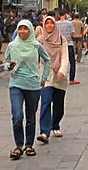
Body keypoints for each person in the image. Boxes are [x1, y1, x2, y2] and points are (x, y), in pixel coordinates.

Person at [5, 20, 51, 160]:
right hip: (16, 84)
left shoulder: (36, 46)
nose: (23, 32)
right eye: (20, 29)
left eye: (25, 29)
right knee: (17, 116)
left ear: (30, 30)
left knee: (30, 117)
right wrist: (9, 66)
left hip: (33, 85)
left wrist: (43, 78)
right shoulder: (12, 46)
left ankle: (29, 145)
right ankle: (18, 146)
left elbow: (47, 60)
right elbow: (6, 63)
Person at [37, 15, 71, 143]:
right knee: (45, 101)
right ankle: (44, 132)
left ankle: (55, 125)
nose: (49, 26)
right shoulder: (39, 41)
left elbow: (65, 57)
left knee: (58, 103)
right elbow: (36, 58)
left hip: (59, 76)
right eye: (47, 23)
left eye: (51, 23)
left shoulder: (61, 40)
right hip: (45, 75)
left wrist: (62, 70)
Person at [56, 11, 77, 84]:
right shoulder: (69, 23)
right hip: (69, 44)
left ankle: (59, 76)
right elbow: (72, 34)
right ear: (65, 15)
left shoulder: (56, 24)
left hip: (59, 45)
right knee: (72, 62)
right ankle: (71, 79)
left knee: (59, 61)